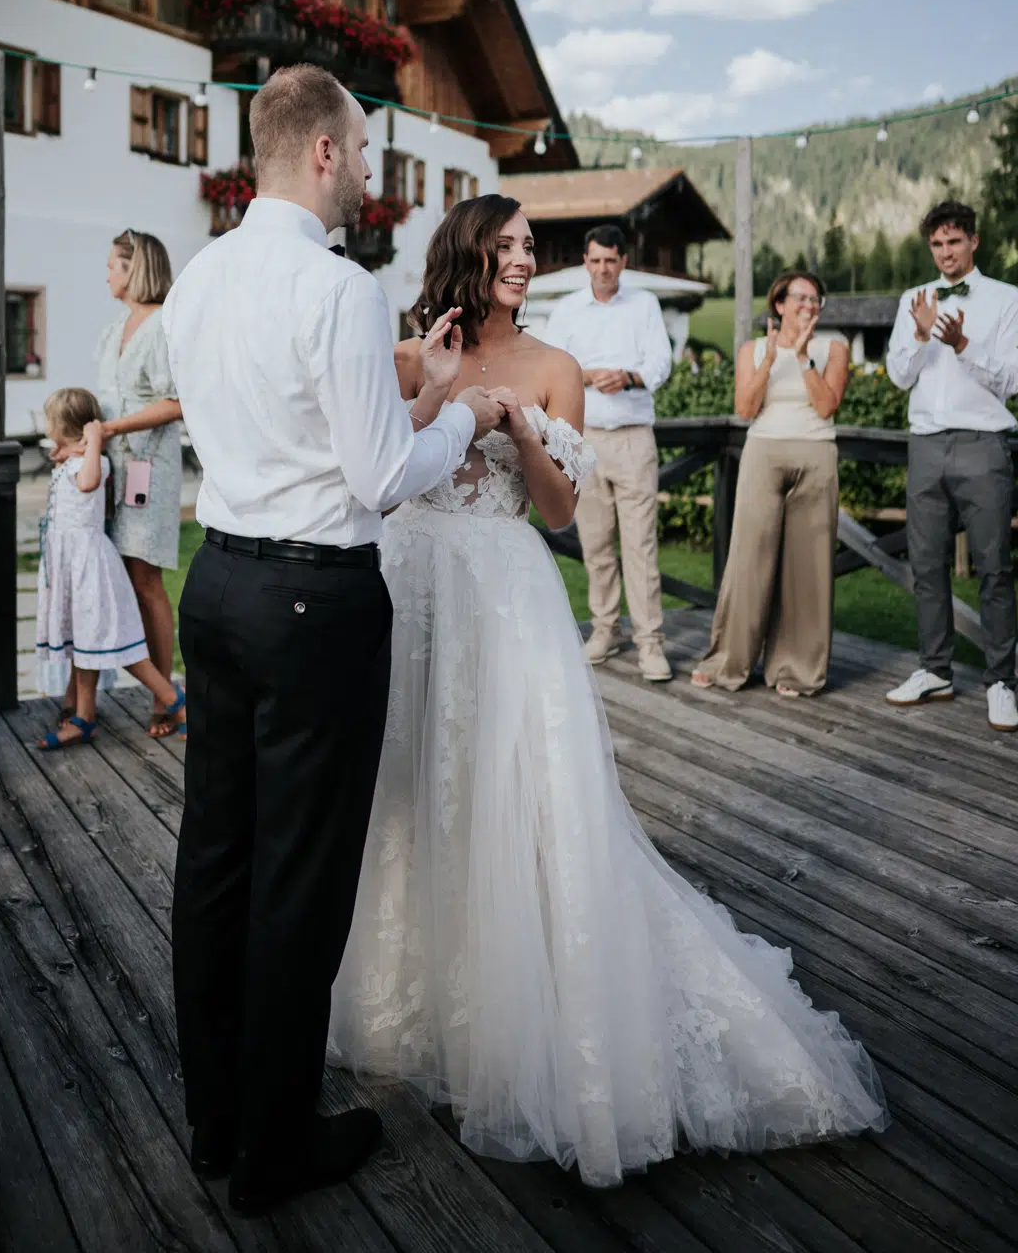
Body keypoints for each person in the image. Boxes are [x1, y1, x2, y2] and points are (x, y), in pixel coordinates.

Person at [329, 200, 888, 1187]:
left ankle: (529, 1009)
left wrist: (518, 428)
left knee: (521, 798)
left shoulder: (556, 368)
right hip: (410, 587)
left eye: (525, 248)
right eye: (503, 246)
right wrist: (441, 396)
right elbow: (376, 473)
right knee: (414, 786)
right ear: (465, 253)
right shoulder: (410, 354)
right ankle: (414, 996)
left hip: (502, 591)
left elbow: (554, 510)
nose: (520, 260)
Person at [162, 62, 505, 1217]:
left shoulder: (198, 281)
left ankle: (214, 1119)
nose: (368, 172)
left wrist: (423, 398)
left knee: (215, 861)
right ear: (319, 151)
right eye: (361, 150)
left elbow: (295, 442)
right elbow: (380, 476)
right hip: (315, 607)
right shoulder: (343, 289)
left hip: (217, 587)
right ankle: (274, 1146)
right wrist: (461, 413)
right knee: (298, 883)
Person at [884, 200, 1018, 733]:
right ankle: (934, 670)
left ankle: (1002, 682)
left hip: (985, 443)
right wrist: (919, 335)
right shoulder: (911, 299)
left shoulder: (1007, 300)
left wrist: (961, 344)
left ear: (974, 242)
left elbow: (1012, 381)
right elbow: (898, 376)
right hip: (925, 444)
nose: (945, 253)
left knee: (994, 568)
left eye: (954, 242)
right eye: (937, 244)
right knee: (927, 565)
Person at [691, 270, 849, 699]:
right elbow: (745, 408)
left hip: (817, 455)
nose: (808, 306)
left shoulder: (834, 348)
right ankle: (729, 663)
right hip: (763, 453)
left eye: (815, 299)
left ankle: (796, 670)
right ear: (779, 304)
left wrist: (800, 359)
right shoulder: (752, 349)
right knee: (749, 561)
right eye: (800, 298)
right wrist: (770, 360)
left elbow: (826, 405)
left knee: (809, 568)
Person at [543, 224, 673, 680]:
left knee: (641, 546)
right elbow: (551, 365)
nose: (602, 269)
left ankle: (650, 643)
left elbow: (660, 362)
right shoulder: (566, 310)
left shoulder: (645, 305)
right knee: (596, 544)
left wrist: (628, 377)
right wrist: (588, 374)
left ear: (623, 262)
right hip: (586, 438)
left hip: (633, 436)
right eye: (595, 261)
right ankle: (604, 630)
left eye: (610, 261)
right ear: (585, 261)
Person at [34, 387, 187, 751]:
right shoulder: (70, 458)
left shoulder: (94, 463)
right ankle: (84, 718)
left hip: (91, 568)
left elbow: (88, 483)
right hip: (72, 568)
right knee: (84, 643)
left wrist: (94, 439)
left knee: (120, 648)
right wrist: (73, 448)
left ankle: (178, 703)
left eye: (49, 423)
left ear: (61, 425)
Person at [93, 229, 185, 737]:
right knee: (120, 579)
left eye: (113, 264)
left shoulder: (162, 328)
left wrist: (113, 428)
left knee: (147, 580)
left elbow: (177, 402)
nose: (106, 273)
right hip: (112, 469)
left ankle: (164, 699)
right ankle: (142, 684)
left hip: (149, 468)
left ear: (136, 268)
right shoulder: (116, 328)